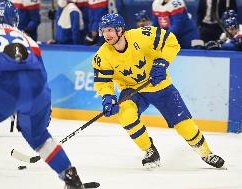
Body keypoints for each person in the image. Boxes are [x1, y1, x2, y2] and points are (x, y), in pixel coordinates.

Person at [0, 0, 99, 189]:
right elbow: (41, 76)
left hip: (1, 87)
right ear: (15, 18)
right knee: (39, 136)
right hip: (37, 91)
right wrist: (42, 106)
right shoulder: (29, 40)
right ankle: (71, 178)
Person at [92, 13, 225, 170]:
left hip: (160, 86)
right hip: (132, 90)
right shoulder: (102, 55)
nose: (106, 34)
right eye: (104, 30)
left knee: (183, 124)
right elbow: (103, 82)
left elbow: (171, 42)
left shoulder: (141, 36)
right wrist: (108, 98)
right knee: (126, 116)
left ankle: (206, 153)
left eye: (110, 30)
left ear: (120, 29)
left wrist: (162, 63)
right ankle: (149, 151)